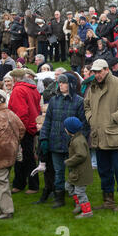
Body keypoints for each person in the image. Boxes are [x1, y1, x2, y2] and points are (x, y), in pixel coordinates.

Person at [84, 59, 118, 211]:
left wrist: (113, 118)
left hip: (115, 136)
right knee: (104, 171)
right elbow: (86, 105)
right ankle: (108, 200)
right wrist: (91, 118)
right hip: (99, 136)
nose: (97, 75)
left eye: (99, 71)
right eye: (95, 72)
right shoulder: (92, 86)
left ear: (107, 70)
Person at [39, 73, 87, 209]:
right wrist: (44, 138)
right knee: (58, 172)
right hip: (55, 142)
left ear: (70, 84)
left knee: (75, 173)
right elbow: (47, 121)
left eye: (64, 82)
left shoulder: (79, 101)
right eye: (59, 82)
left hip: (72, 145)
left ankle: (77, 199)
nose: (60, 85)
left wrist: (79, 143)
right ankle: (59, 198)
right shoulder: (54, 100)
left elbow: (83, 124)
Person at [0, 89, 25, 219]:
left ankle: (6, 211)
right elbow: (22, 129)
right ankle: (2, 207)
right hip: (11, 152)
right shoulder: (11, 113)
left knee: (1, 182)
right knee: (3, 180)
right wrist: (14, 142)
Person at [8, 69, 41, 194]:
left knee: (23, 157)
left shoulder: (18, 90)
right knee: (27, 156)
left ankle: (30, 185)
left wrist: (19, 131)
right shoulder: (32, 88)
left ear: (15, 79)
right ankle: (21, 183)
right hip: (32, 126)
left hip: (23, 128)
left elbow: (21, 113)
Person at [63, 116, 94, 219]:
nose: (64, 129)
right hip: (76, 171)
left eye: (65, 127)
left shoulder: (78, 141)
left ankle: (87, 211)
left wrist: (68, 162)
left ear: (70, 129)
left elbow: (81, 155)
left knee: (80, 192)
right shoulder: (76, 137)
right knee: (68, 186)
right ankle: (79, 205)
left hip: (81, 172)